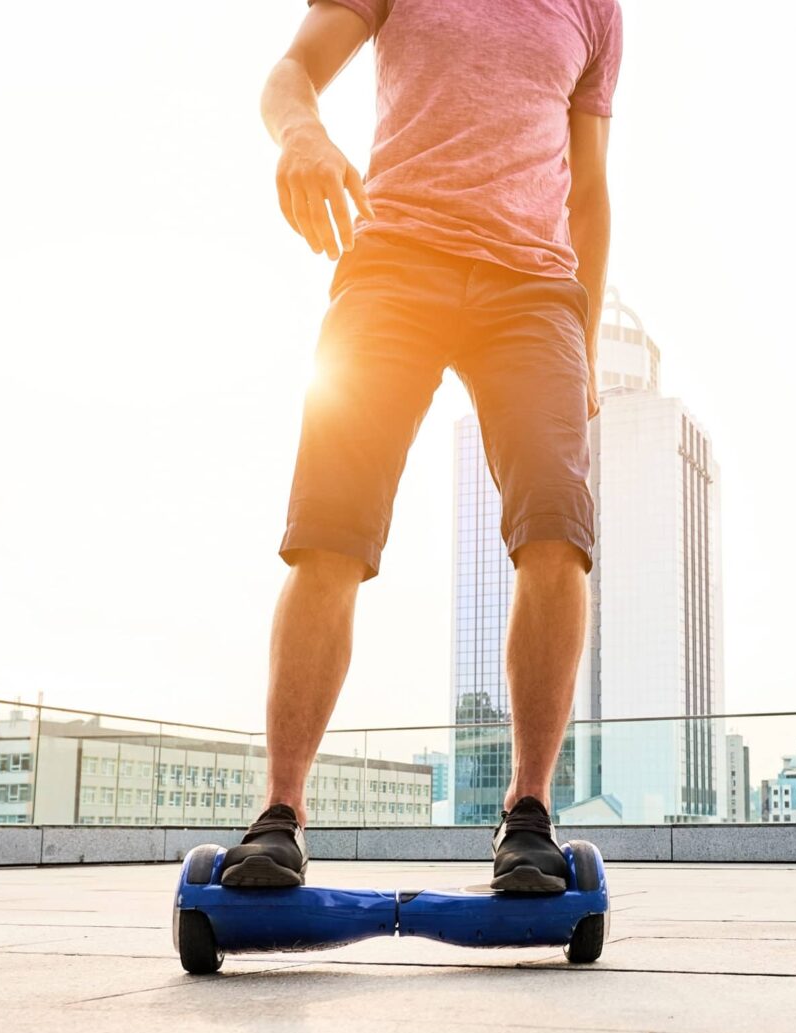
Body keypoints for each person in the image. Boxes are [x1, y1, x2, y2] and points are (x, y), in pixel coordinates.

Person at [219, 0, 621, 894]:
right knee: (329, 531)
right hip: (393, 261)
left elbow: (588, 189)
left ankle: (528, 817)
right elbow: (290, 74)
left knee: (558, 533)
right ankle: (279, 815)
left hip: (534, 290)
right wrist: (304, 138)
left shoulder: (596, 9)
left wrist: (584, 340)